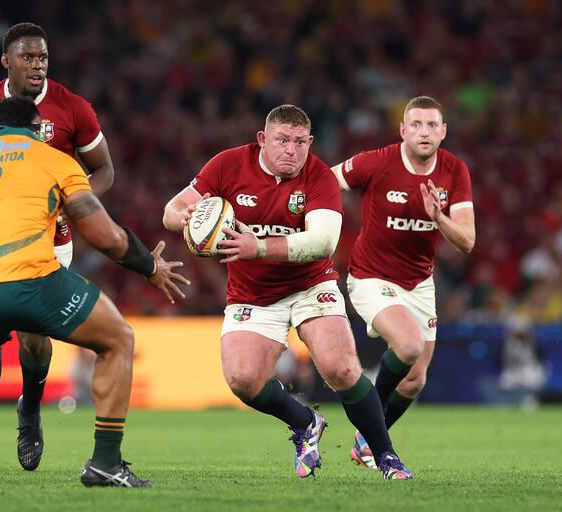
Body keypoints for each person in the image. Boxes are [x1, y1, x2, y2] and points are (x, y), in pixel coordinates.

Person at [0, 97, 188, 488]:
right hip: (30, 281)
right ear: (36, 127)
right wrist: (150, 266)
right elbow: (105, 237)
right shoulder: (54, 160)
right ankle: (105, 462)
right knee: (118, 339)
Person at [163, 104, 413, 480]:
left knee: (342, 369)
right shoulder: (228, 165)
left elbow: (323, 242)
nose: (291, 150)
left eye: (299, 142)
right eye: (282, 140)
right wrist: (183, 216)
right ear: (262, 140)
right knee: (243, 381)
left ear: (310, 143)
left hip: (310, 285)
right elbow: (172, 208)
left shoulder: (319, 177)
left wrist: (258, 247)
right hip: (252, 293)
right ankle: (305, 422)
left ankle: (386, 456)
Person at [0, 22, 116, 474]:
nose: (37, 65)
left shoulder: (73, 109)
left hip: (51, 241)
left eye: (43, 58)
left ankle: (29, 411)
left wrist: (73, 205)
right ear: (6, 62)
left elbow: (104, 169)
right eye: (28, 58)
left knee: (35, 342)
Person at [331, 96, 475, 468]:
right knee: (409, 345)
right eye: (416, 125)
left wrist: (439, 218)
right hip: (370, 276)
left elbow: (468, 241)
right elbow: (324, 183)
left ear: (443, 132)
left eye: (431, 125)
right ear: (403, 130)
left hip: (419, 283)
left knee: (414, 381)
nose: (424, 132)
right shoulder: (376, 162)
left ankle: (365, 439)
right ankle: (376, 439)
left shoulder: (454, 171)